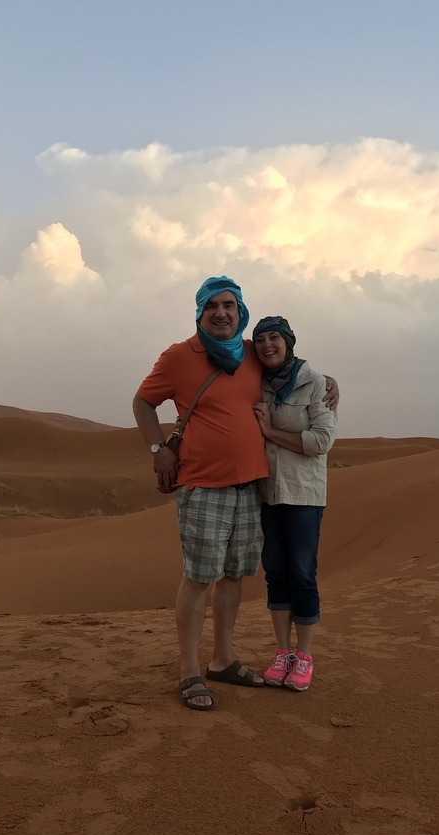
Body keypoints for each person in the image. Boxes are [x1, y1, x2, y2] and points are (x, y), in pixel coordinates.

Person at [132, 278, 337, 711]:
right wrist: (157, 450)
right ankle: (189, 669)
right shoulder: (178, 355)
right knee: (199, 577)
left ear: (240, 310)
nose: (221, 313)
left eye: (229, 305)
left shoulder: (248, 353)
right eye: (213, 306)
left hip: (251, 487)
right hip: (204, 484)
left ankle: (223, 658)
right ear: (200, 312)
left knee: (233, 576)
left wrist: (328, 381)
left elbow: (289, 369)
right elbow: (143, 401)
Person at [252, 316, 337, 692]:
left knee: (302, 572)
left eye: (275, 338)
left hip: (303, 493)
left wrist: (271, 431)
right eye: (260, 340)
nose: (268, 345)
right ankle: (282, 652)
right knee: (275, 572)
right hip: (267, 492)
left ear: (288, 342)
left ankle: (304, 656)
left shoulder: (314, 382)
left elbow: (321, 441)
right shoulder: (255, 383)